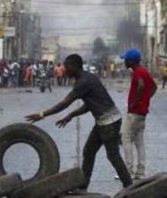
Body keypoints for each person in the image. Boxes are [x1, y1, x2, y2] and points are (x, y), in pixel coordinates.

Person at [25, 54, 132, 191]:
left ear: (74, 66)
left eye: (67, 67)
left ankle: (129, 186)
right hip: (104, 121)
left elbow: (65, 103)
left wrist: (42, 114)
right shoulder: (88, 78)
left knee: (113, 155)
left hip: (109, 122)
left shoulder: (83, 82)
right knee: (88, 151)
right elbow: (91, 104)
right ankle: (83, 186)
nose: (65, 70)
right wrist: (71, 115)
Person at [120, 48, 157, 180]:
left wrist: (135, 102)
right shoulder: (144, 71)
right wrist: (146, 100)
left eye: (125, 60)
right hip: (142, 112)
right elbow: (154, 87)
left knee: (125, 138)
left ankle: (128, 171)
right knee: (139, 142)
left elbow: (141, 86)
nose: (124, 62)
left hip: (135, 112)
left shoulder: (137, 72)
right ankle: (140, 172)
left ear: (131, 61)